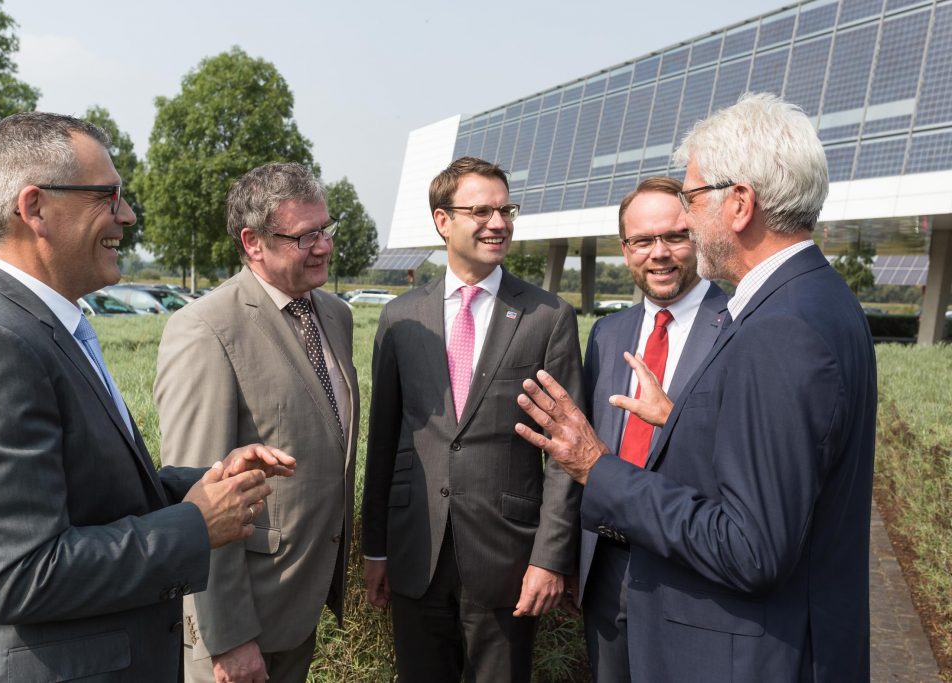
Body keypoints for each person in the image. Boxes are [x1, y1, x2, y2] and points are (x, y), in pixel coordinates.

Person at [516, 93, 876, 682]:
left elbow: (750, 548)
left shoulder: (779, 329)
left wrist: (595, 467)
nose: (683, 218)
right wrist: (683, 423)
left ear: (739, 203)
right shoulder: (818, 300)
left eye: (691, 198)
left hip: (741, 655)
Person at [0, 112, 295, 683]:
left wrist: (198, 484)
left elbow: (82, 495)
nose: (126, 214)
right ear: (34, 208)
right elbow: (18, 574)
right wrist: (196, 525)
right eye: (108, 195)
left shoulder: (40, 326)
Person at [361, 156, 584, 682]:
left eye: (506, 209)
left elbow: (565, 455)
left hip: (507, 560)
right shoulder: (400, 319)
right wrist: (375, 549)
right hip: (417, 556)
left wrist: (550, 557)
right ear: (442, 221)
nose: (499, 222)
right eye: (481, 210)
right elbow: (384, 438)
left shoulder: (547, 318)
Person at [155, 163, 358, 683]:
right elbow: (199, 497)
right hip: (242, 623)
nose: (323, 247)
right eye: (304, 236)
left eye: (326, 229)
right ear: (253, 242)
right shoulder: (205, 329)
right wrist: (227, 636)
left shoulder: (334, 314)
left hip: (301, 600)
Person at [579, 176, 727, 682]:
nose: (659, 254)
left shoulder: (737, 324)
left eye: (675, 236)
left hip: (692, 567)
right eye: (643, 241)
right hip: (607, 567)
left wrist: (676, 421)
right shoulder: (606, 334)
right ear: (625, 250)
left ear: (699, 237)